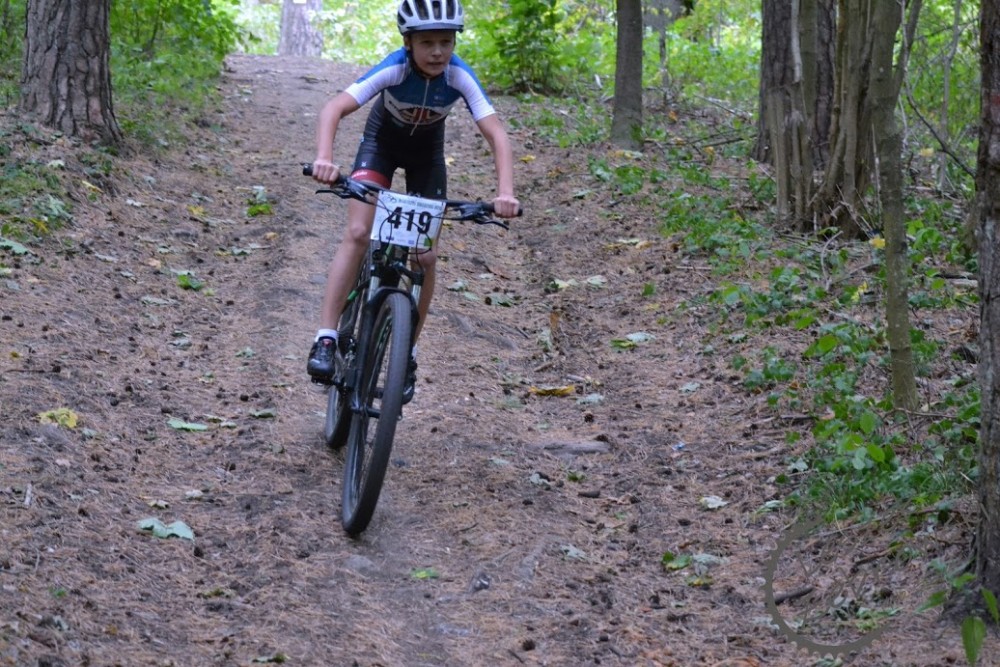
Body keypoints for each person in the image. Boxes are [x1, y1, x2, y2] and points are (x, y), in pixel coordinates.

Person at [306, 0, 520, 399]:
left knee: (425, 257)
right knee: (358, 232)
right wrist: (324, 158)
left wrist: (505, 192)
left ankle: (407, 352)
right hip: (380, 147)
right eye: (427, 43)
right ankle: (326, 337)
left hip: (426, 159)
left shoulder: (458, 75)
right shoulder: (395, 67)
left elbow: (497, 134)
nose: (438, 52)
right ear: (408, 43)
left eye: (446, 42)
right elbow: (334, 108)